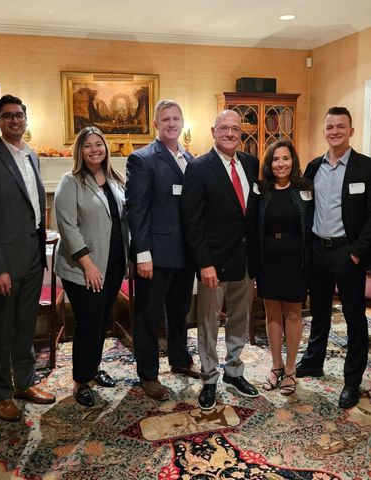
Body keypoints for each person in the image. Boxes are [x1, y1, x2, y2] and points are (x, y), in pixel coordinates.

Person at [295, 106, 371, 409]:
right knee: (318, 311)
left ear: (351, 131)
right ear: (324, 131)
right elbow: (303, 208)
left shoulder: (368, 168)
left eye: (341, 127)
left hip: (348, 253)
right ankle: (312, 361)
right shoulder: (312, 167)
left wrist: (358, 253)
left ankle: (352, 380)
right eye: (330, 127)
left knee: (353, 317)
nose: (335, 131)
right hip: (318, 251)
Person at [0, 94, 55, 423]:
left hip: (34, 256)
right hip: (5, 262)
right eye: (7, 116)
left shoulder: (32, 156)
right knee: (2, 330)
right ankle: (0, 394)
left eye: (19, 115)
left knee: (26, 327)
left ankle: (24, 383)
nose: (15, 121)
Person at [181, 110, 260, 411]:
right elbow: (192, 221)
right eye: (224, 128)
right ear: (213, 131)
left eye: (235, 129)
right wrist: (204, 263)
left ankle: (234, 370)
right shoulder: (199, 167)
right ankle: (210, 377)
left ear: (242, 134)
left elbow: (252, 216)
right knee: (208, 323)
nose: (230, 133)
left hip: (244, 261)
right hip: (213, 263)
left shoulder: (251, 164)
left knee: (239, 320)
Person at [126, 99, 199, 401]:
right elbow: (137, 209)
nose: (171, 124)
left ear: (182, 123)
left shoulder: (190, 157)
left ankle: (180, 360)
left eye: (176, 119)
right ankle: (148, 374)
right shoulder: (142, 158)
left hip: (185, 254)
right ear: (156, 124)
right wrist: (142, 254)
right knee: (148, 315)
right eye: (165, 119)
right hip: (155, 256)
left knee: (180, 312)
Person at [53, 126, 128, 408]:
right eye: (88, 146)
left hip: (113, 264)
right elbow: (67, 226)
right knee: (88, 323)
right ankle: (80, 380)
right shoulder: (70, 181)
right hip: (84, 268)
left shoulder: (115, 179)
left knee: (101, 321)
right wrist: (87, 264)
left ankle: (93, 369)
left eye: (99, 144)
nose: (94, 150)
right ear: (79, 151)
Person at [256, 140, 313, 396]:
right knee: (272, 313)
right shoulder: (262, 190)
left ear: (293, 161)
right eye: (276, 159)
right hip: (268, 260)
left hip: (296, 260)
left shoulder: (305, 189)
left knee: (293, 313)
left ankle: (290, 369)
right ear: (269, 164)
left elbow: (312, 225)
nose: (281, 164)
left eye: (286, 158)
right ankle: (276, 366)